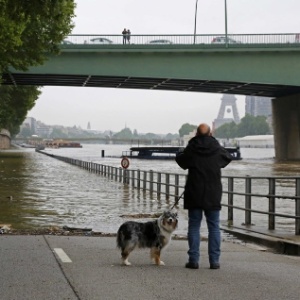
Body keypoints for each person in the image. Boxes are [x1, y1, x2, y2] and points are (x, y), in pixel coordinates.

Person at [175, 123, 232, 270]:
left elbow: (182, 161)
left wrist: (181, 152)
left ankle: (193, 260)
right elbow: (227, 158)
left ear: (196, 134)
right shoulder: (216, 148)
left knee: (194, 226)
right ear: (210, 134)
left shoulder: (192, 148)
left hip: (194, 192)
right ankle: (214, 261)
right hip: (212, 193)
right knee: (214, 227)